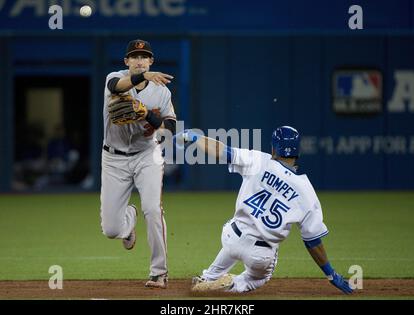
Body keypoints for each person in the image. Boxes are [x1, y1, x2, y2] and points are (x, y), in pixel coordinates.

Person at [174, 126, 354, 294]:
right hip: (260, 255)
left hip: (231, 236)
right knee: (259, 278)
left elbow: (222, 151)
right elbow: (312, 241)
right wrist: (331, 274)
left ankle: (208, 277)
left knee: (235, 240)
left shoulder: (259, 160)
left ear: (274, 149)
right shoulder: (307, 192)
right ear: (298, 152)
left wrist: (194, 136)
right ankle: (233, 284)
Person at [100, 39, 176, 289]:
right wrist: (143, 77)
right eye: (134, 56)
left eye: (144, 56)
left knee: (153, 209)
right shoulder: (115, 78)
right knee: (111, 230)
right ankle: (128, 219)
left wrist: (148, 115)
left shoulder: (162, 91)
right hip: (113, 158)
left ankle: (159, 272)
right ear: (126, 62)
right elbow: (115, 86)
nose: (139, 60)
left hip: (147, 155)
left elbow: (170, 128)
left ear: (151, 60)